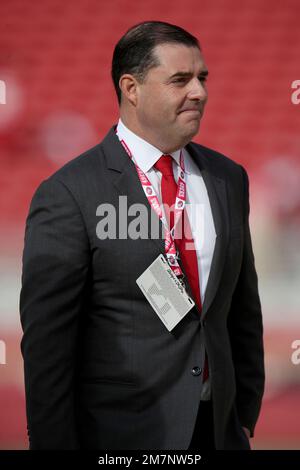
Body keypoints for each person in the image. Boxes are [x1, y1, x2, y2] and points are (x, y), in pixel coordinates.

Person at [20, 20, 265, 450]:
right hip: (123, 437)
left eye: (202, 78)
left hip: (219, 433)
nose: (200, 92)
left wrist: (243, 415)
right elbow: (48, 346)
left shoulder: (229, 178)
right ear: (130, 88)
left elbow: (241, 307)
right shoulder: (69, 193)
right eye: (180, 80)